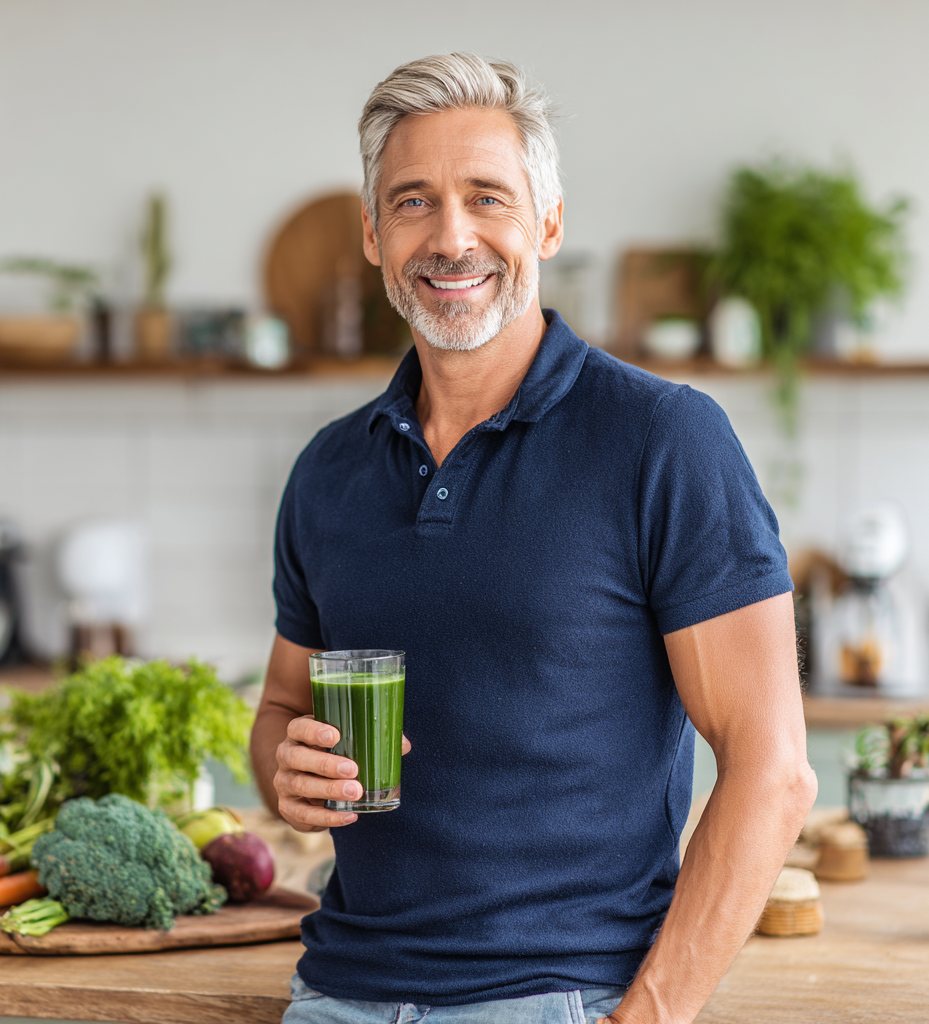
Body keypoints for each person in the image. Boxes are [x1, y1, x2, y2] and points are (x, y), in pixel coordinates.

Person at [251, 52, 817, 1024]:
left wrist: (647, 1016)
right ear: (374, 234)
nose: (452, 236)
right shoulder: (328, 472)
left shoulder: (660, 441)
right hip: (335, 996)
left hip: (556, 996)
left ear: (547, 223)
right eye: (415, 202)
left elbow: (774, 770)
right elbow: (279, 706)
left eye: (487, 198)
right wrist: (281, 767)